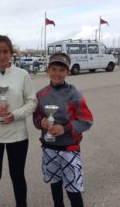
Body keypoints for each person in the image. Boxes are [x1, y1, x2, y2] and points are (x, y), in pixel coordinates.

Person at [0, 35, 37, 207]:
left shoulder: (23, 75)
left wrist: (15, 115)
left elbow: (32, 101)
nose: (2, 56)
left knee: (17, 176)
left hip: (17, 135)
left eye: (5, 52)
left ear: (11, 53)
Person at [33, 52, 93, 207]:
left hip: (69, 149)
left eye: (61, 70)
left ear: (67, 72)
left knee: (73, 190)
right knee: (55, 187)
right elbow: (36, 117)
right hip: (49, 147)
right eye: (54, 69)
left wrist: (65, 128)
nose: (57, 73)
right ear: (48, 70)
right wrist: (43, 122)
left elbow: (87, 120)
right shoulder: (41, 94)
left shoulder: (74, 94)